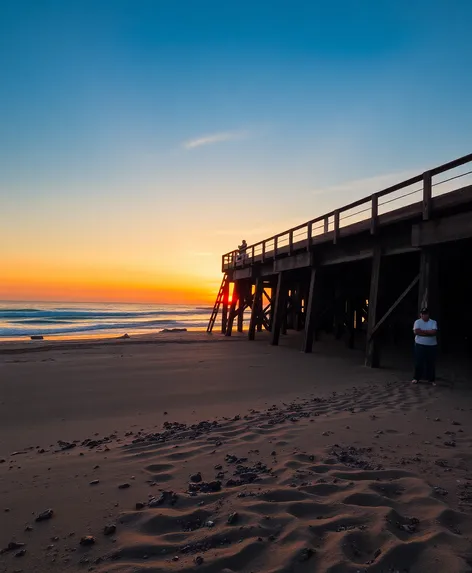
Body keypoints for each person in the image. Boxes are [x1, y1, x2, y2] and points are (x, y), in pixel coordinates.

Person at [412, 307, 438, 385]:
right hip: (419, 344)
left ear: (428, 314)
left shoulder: (433, 322)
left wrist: (422, 331)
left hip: (431, 345)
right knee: (419, 362)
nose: (424, 315)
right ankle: (416, 378)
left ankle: (431, 379)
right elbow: (416, 332)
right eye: (422, 314)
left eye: (425, 314)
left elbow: (434, 332)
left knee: (430, 362)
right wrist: (428, 333)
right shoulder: (417, 322)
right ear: (421, 314)